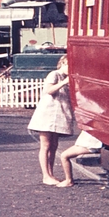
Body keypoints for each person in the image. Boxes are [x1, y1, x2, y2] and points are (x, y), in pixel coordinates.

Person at [27, 55, 76, 185]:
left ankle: (51, 174)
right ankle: (46, 175)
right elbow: (49, 90)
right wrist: (64, 83)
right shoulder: (54, 74)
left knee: (54, 146)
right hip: (47, 114)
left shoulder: (67, 78)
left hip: (58, 115)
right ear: (63, 63)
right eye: (69, 65)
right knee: (45, 145)